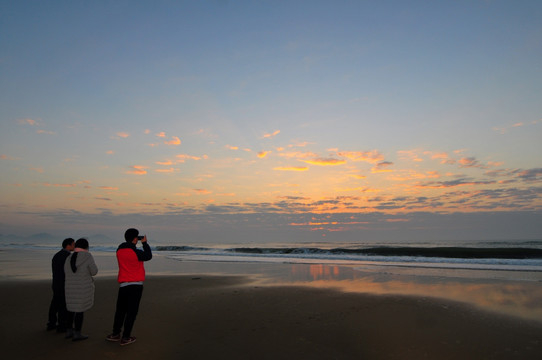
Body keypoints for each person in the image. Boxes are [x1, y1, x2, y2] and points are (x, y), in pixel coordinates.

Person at [106, 228, 152, 346]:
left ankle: (116, 333)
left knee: (120, 311)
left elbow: (128, 248)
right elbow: (148, 256)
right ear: (135, 239)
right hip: (135, 285)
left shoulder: (119, 251)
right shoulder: (136, 252)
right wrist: (145, 243)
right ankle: (126, 337)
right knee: (131, 313)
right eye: (137, 237)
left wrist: (135, 243)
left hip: (123, 284)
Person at [64, 238, 98, 341]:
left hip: (70, 288)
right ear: (86, 246)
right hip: (82, 288)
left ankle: (69, 331)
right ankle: (77, 333)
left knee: (71, 309)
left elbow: (65, 272)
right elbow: (94, 271)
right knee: (80, 310)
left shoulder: (69, 257)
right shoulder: (87, 256)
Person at [47, 238, 75, 332]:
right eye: (73, 244)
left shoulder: (57, 255)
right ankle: (62, 325)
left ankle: (51, 323)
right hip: (64, 283)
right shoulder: (68, 257)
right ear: (68, 245)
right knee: (63, 305)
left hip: (56, 283)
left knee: (55, 303)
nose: (74, 246)